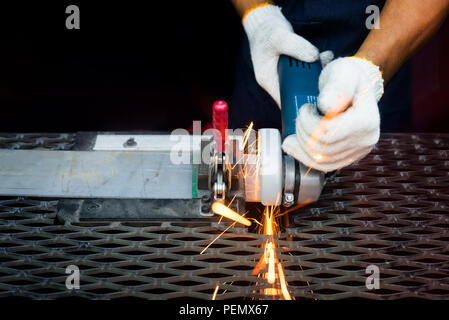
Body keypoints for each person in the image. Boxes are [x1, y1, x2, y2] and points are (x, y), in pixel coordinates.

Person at [230, 0, 449, 172]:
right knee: (245, 186)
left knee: (369, 203)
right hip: (268, 58)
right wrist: (258, 17)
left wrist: (368, 71)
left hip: (378, 43)